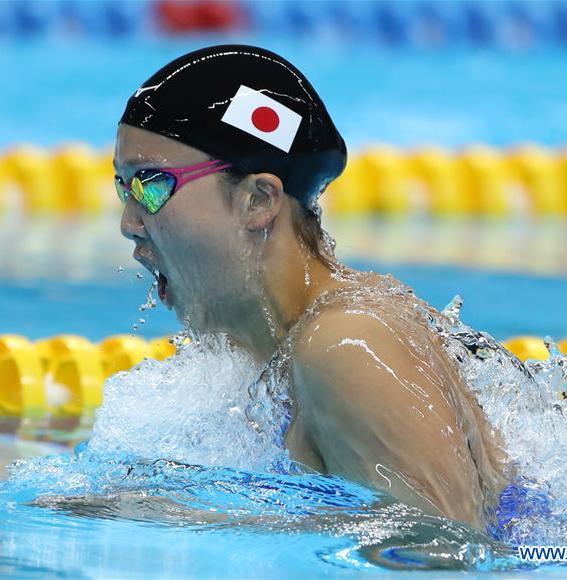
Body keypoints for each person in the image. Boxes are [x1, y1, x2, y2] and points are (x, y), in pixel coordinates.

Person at [113, 44, 508, 530]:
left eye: (151, 185)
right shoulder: (276, 348)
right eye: (123, 188)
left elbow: (446, 553)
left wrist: (183, 518)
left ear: (258, 201)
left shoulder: (346, 346)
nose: (129, 222)